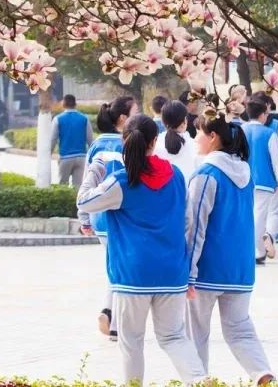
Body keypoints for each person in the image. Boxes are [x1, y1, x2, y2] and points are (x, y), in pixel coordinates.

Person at [76, 115, 206, 386]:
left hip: (133, 275)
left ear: (125, 141)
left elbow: (84, 202)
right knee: (173, 337)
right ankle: (198, 379)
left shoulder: (121, 182)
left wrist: (95, 168)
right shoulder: (176, 177)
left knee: (131, 342)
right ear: (154, 141)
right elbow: (187, 223)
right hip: (172, 271)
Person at [186, 112, 275, 385]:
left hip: (207, 270)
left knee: (195, 333)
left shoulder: (206, 174)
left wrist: (188, 271)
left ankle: (199, 380)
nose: (195, 137)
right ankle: (263, 374)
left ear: (213, 137)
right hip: (240, 268)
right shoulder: (246, 174)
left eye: (199, 131)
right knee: (240, 330)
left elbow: (195, 226)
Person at [78, 95, 137, 341]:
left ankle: (110, 315)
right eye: (135, 112)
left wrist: (84, 218)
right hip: (121, 218)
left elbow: (86, 182)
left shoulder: (97, 145)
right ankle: (110, 316)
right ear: (123, 119)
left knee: (115, 265)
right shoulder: (129, 145)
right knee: (120, 269)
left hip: (98, 217)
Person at [241, 100, 278, 264]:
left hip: (242, 181)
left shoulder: (239, 131)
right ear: (262, 115)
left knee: (245, 216)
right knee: (260, 217)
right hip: (264, 181)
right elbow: (277, 160)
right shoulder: (269, 134)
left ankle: (248, 249)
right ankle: (258, 251)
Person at [254, 92, 278, 243]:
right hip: (271, 175)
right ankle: (271, 237)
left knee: (256, 211)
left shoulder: (245, 128)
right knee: (274, 209)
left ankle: (259, 240)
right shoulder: (275, 126)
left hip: (251, 176)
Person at [51, 94, 93, 188]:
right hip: (82, 157)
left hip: (65, 157)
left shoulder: (58, 119)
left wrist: (48, 153)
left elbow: (53, 139)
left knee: (62, 186)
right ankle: (74, 203)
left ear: (63, 104)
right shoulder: (84, 118)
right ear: (75, 104)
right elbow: (90, 140)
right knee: (78, 188)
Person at [154, 100, 198, 182]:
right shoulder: (194, 144)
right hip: (189, 192)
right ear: (185, 120)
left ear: (163, 121)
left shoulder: (155, 144)